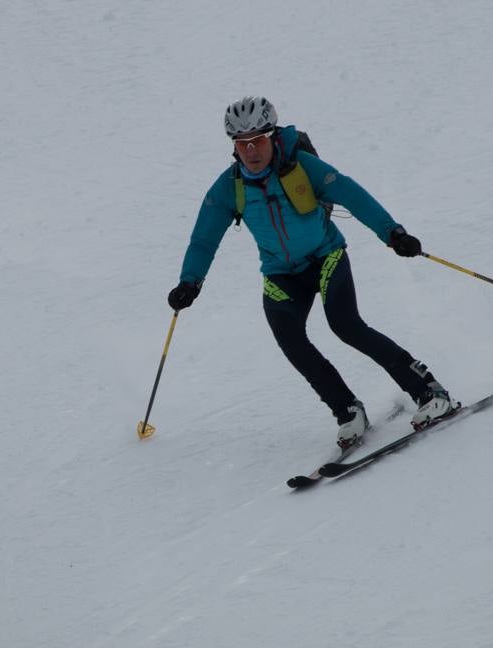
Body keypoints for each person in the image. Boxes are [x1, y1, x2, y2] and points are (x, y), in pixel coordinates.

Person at [167, 96, 455, 449]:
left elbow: (353, 195)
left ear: (273, 138)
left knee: (346, 325)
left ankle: (429, 392)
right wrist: (190, 281)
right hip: (280, 273)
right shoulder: (229, 187)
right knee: (291, 340)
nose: (251, 151)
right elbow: (203, 238)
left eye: (257, 141)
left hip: (326, 257)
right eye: (242, 145)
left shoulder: (303, 166)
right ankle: (347, 411)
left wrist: (392, 233)